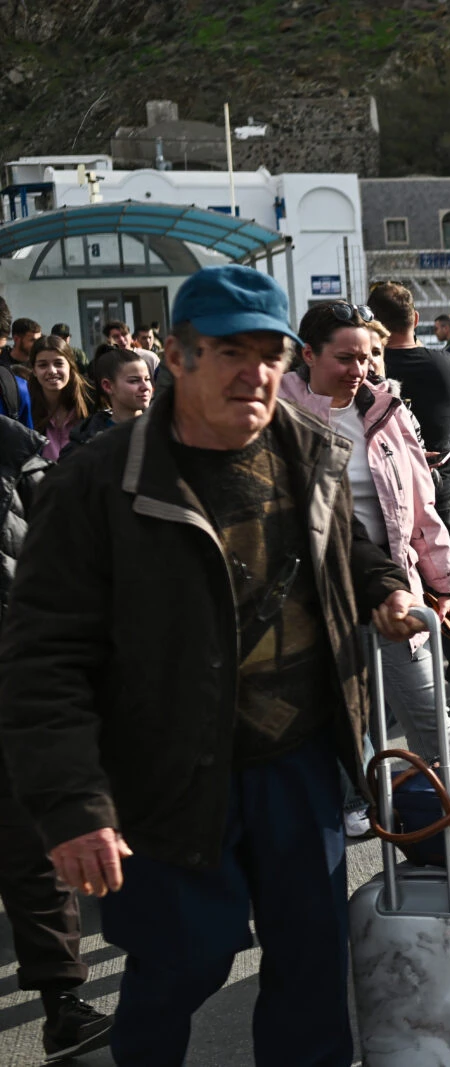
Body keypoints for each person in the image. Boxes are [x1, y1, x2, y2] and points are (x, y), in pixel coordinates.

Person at [0, 264, 422, 1064]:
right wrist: (75, 806)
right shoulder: (98, 481)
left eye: (272, 352)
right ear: (178, 359)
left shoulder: (308, 447)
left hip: (299, 763)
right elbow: (43, 658)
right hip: (166, 773)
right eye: (232, 351)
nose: (256, 373)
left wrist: (385, 586)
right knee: (182, 961)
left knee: (310, 968)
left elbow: (345, 545)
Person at [279, 300, 450, 836]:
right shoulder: (279, 415)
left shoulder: (386, 411)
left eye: (366, 357)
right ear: (308, 355)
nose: (358, 370)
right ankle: (361, 803)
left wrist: (443, 586)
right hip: (314, 600)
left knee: (432, 718)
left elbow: (421, 505)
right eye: (344, 358)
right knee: (342, 718)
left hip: (394, 590)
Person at [0, 413, 117, 1063]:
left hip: (14, 666)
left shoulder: (12, 444)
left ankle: (60, 1004)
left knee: (28, 841)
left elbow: (64, 545)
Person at [369, 282, 450, 720]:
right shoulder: (446, 365)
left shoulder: (371, 371)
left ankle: (406, 693)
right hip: (442, 488)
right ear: (415, 318)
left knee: (396, 585)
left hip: (390, 490)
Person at [67, 347, 152, 454]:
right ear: (107, 386)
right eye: (134, 381)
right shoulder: (85, 441)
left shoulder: (166, 429)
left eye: (147, 379)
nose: (145, 387)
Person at [27, 336, 92, 461]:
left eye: (58, 363)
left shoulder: (92, 402)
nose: (52, 370)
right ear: (34, 370)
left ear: (70, 366)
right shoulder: (25, 407)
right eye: (43, 365)